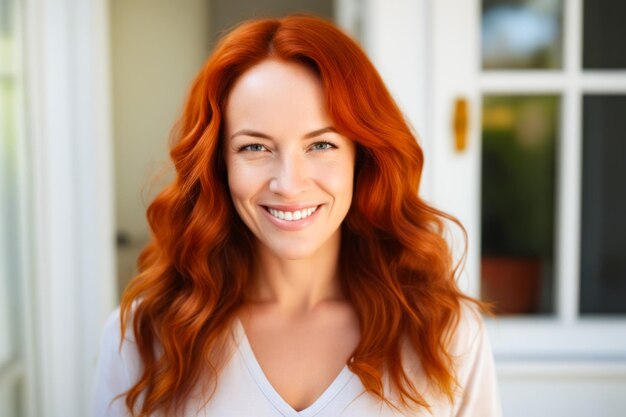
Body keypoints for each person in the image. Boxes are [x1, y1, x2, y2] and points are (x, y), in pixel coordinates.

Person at [93, 14, 501, 417]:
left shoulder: (445, 334)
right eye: (255, 148)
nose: (288, 183)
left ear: (362, 158)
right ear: (219, 165)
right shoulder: (143, 337)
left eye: (321, 145)